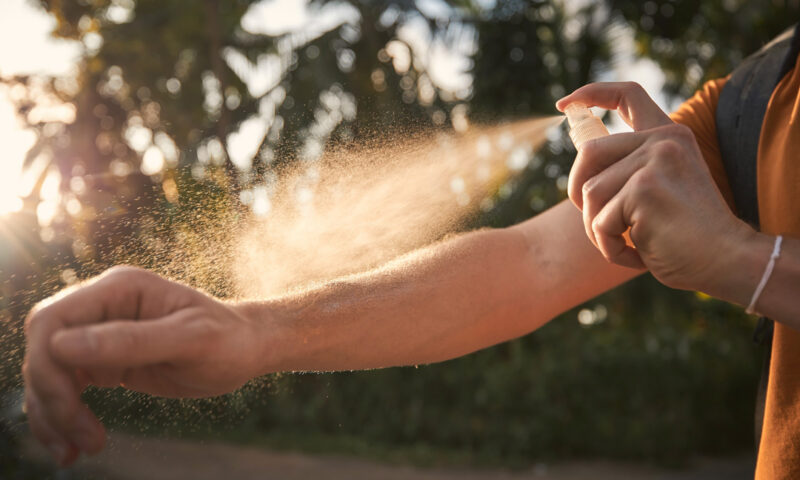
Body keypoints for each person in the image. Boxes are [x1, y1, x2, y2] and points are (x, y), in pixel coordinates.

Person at [22, 55, 800, 477]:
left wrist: (747, 263)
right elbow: (530, 260)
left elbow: (739, 260)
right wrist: (252, 331)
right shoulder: (760, 97)